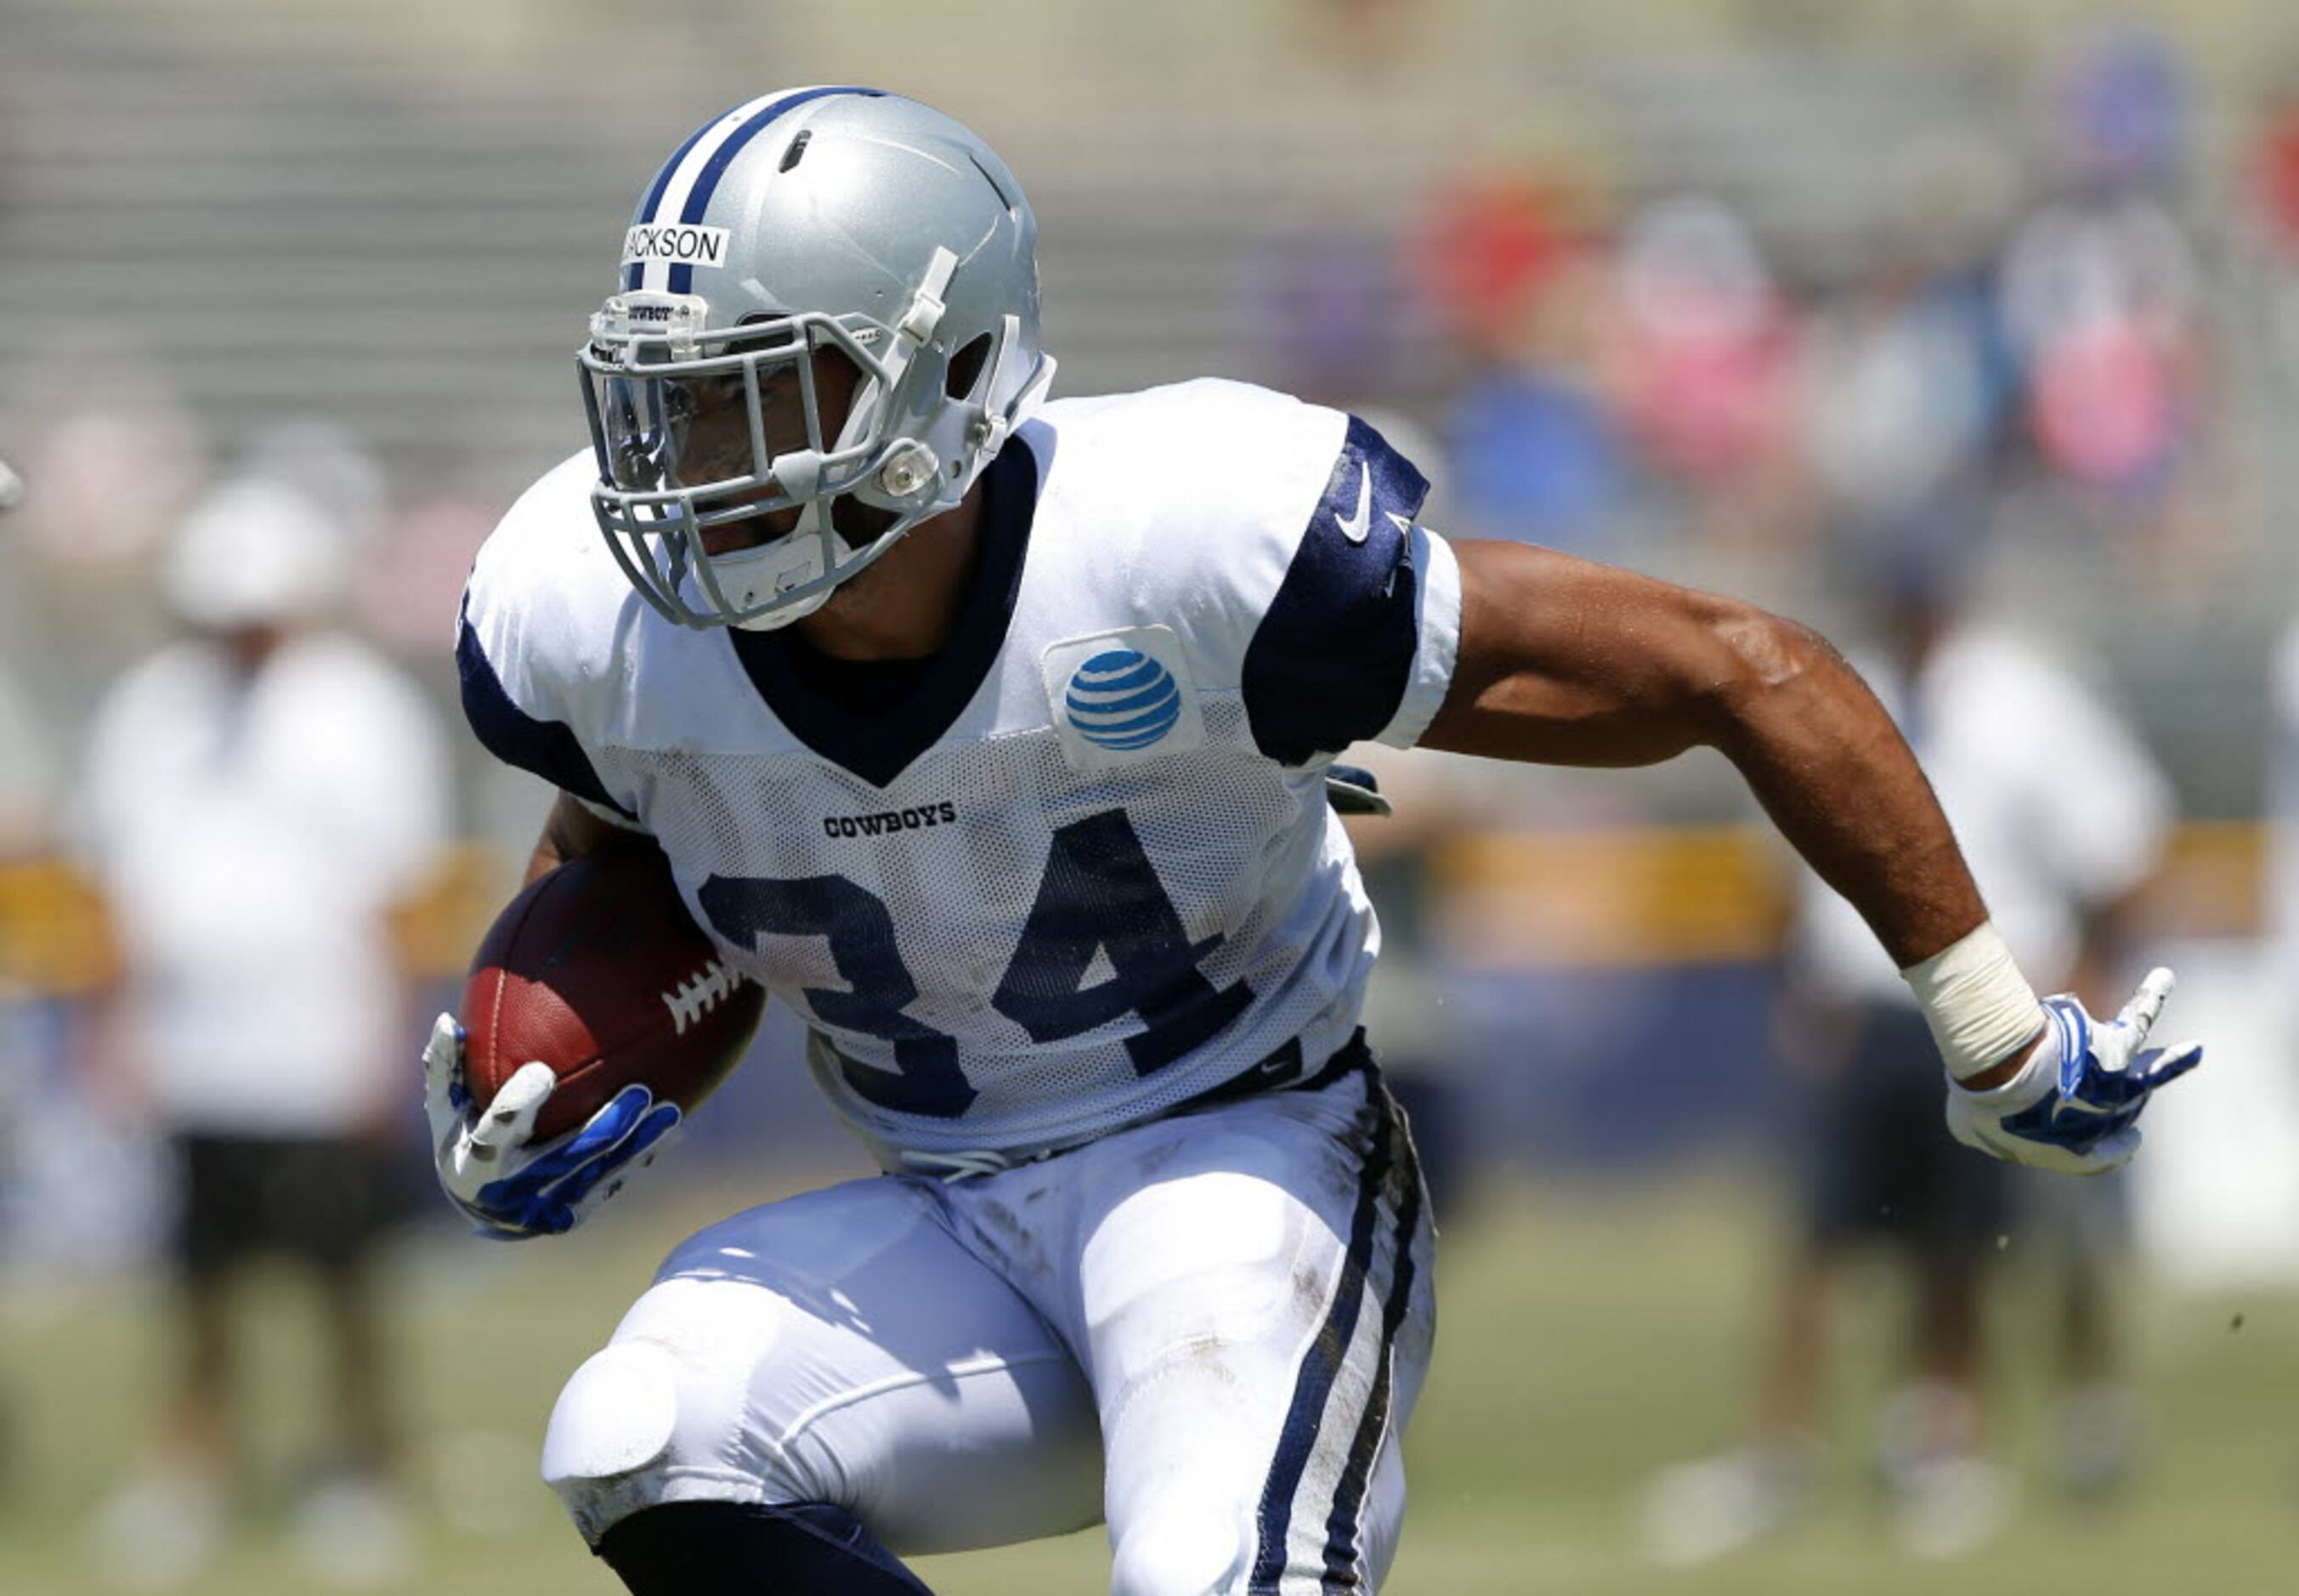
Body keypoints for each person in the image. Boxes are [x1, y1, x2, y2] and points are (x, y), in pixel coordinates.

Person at [428, 89, 2204, 1596]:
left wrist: (1985, 1020)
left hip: (1238, 1164)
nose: (686, 459)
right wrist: (550, 1077)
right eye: (669, 398)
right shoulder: (592, 620)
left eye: (754, 396)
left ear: (944, 379)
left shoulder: (1184, 542)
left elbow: (1737, 667)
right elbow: (629, 858)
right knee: (639, 1436)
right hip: (947, 1214)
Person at [1641, 515, 2174, 1563]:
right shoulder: (1834, 687)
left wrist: (2087, 984)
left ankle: (1940, 1443)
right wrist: (1797, 985)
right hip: (1861, 1002)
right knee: (1813, 1242)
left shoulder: (2024, 700)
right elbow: (1783, 858)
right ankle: (1776, 1453)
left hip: (1991, 1009)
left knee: (1957, 1243)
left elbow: (2119, 844)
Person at [77, 469, 451, 1586]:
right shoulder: (151, 706)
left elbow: (400, 891)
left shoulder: (362, 710)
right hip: (196, 1045)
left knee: (345, 1276)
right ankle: (192, 1465)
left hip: (317, 1041)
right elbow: (112, 880)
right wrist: (117, 1024)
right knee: (199, 1279)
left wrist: (388, 1044)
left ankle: (360, 1466)